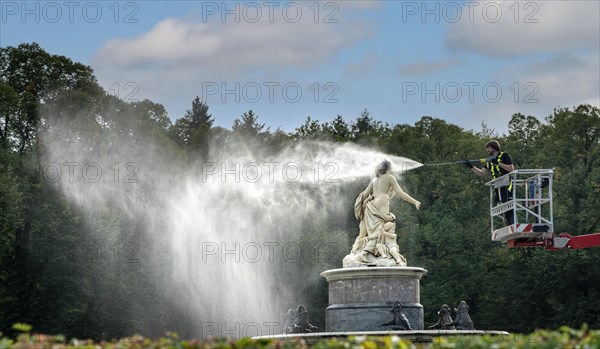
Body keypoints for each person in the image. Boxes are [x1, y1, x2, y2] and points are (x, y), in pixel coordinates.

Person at [344, 160, 420, 267]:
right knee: (380, 232)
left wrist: (364, 204)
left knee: (368, 234)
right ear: (389, 167)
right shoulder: (390, 177)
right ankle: (377, 255)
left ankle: (356, 252)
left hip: (370, 209)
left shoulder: (374, 180)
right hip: (381, 209)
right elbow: (401, 193)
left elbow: (364, 195)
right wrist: (414, 201)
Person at [466, 140, 514, 225]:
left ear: (494, 148)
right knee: (501, 206)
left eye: (488, 148)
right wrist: (471, 167)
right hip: (497, 186)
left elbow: (511, 168)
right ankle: (508, 224)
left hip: (506, 185)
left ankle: (511, 223)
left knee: (508, 206)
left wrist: (498, 163)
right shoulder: (489, 161)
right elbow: (481, 173)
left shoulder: (504, 155)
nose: (487, 151)